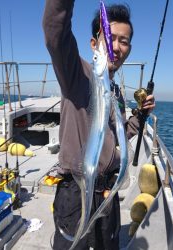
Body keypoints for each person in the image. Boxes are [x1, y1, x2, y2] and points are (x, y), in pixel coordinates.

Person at [43, 1, 155, 249]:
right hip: (76, 192)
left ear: (129, 48)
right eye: (110, 38)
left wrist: (140, 117)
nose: (117, 46)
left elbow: (117, 136)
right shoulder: (76, 73)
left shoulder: (113, 89)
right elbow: (55, 32)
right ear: (94, 43)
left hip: (107, 195)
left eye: (123, 41)